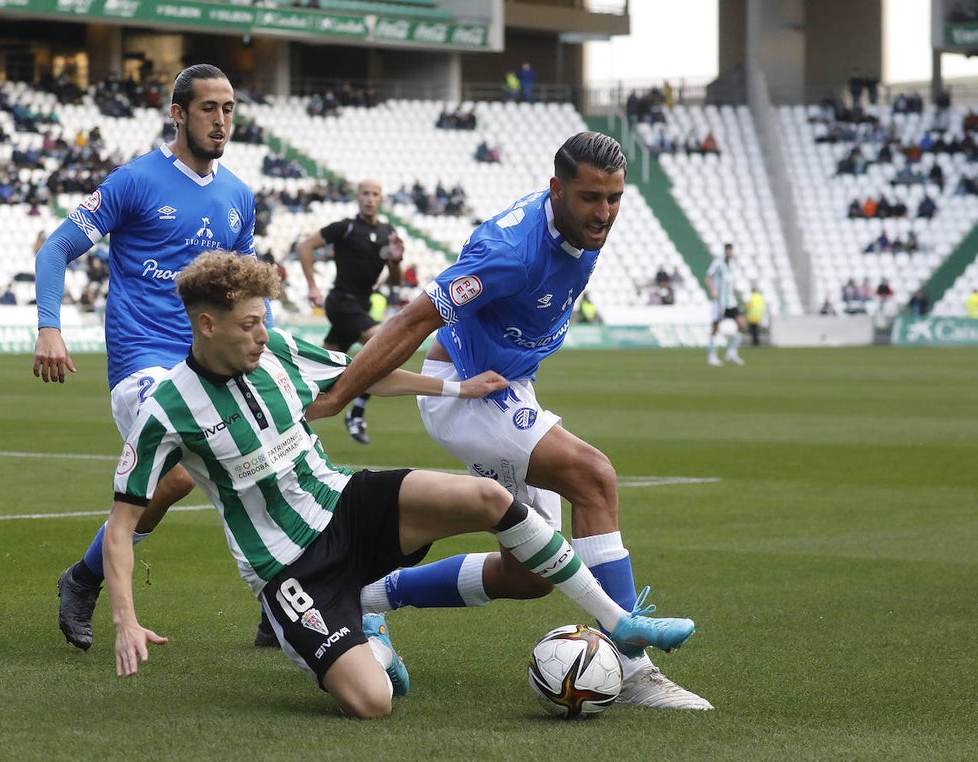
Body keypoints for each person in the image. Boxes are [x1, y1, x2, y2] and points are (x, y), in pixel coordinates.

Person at [104, 252, 696, 718]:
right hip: (289, 569)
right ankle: (356, 623)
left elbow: (366, 374)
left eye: (264, 321)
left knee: (492, 499)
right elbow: (122, 525)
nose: (263, 334)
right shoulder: (166, 411)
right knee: (373, 702)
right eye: (250, 324)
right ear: (207, 325)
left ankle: (619, 624)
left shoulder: (280, 351)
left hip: (345, 503)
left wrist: (457, 390)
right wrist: (125, 621)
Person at [306, 132, 711, 710]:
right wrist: (343, 393)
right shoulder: (509, 252)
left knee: (529, 576)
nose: (604, 213)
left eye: (614, 198)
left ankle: (366, 596)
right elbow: (411, 320)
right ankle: (633, 666)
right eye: (591, 198)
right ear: (556, 191)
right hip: (468, 388)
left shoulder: (580, 226)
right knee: (592, 475)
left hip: (507, 385)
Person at [31, 64, 264, 652]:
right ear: (178, 113)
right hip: (144, 362)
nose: (221, 120)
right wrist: (49, 327)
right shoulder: (134, 181)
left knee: (267, 464)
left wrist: (261, 344)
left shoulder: (238, 196)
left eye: (229, 108)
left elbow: (246, 290)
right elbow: (55, 250)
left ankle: (284, 597)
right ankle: (87, 581)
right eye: (209, 108)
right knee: (184, 470)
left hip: (212, 362)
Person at [295, 178, 403, 447]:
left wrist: (396, 261)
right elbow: (304, 246)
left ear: (381, 199)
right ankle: (356, 413)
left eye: (375, 194)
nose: (369, 198)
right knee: (384, 346)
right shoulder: (345, 227)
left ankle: (291, 418)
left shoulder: (388, 232)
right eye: (365, 193)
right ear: (357, 197)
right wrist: (312, 286)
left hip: (361, 306)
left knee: (316, 370)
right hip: (341, 302)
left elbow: (396, 280)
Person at [706, 243, 746, 366]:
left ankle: (731, 352)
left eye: (731, 251)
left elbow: (730, 283)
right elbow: (708, 277)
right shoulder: (718, 264)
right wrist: (712, 291)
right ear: (725, 252)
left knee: (742, 324)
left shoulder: (733, 264)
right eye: (728, 251)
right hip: (719, 303)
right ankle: (712, 356)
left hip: (730, 302)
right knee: (715, 328)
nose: (730, 253)